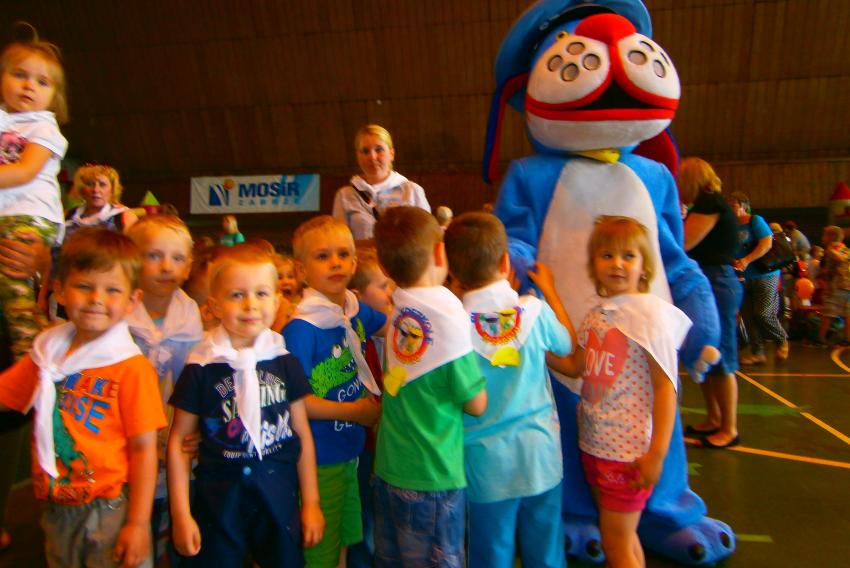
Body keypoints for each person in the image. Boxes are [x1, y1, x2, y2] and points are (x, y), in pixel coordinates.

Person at [0, 228, 167, 567]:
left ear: (132, 300)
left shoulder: (131, 367)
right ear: (60, 290)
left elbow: (144, 449)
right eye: (84, 286)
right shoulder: (47, 351)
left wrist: (137, 524)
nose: (96, 299)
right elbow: (7, 394)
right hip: (55, 504)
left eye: (112, 290)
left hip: (108, 508)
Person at [547, 216, 691, 568]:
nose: (617, 264)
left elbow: (665, 388)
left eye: (628, 256)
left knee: (616, 545)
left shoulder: (647, 316)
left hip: (627, 453)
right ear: (594, 264)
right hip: (595, 444)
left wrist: (657, 454)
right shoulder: (597, 315)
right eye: (607, 255)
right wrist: (536, 349)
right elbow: (575, 366)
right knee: (623, 538)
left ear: (644, 267)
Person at [167, 245, 324, 566]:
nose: (251, 304)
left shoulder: (284, 362)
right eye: (237, 295)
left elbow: (302, 434)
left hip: (277, 490)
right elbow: (178, 442)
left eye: (261, 293)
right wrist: (181, 514)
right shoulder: (201, 366)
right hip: (219, 496)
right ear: (214, 306)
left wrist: (311, 502)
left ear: (277, 302)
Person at [444, 212, 573, 568]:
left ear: (452, 272)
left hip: (484, 467)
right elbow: (566, 344)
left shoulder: (452, 326)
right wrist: (550, 291)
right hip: (540, 456)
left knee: (491, 555)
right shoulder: (534, 311)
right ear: (505, 262)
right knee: (546, 554)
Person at [372, 207, 487, 568]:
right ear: (440, 253)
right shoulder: (448, 317)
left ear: (385, 268)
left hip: (389, 467)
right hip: (432, 476)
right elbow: (476, 404)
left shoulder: (400, 312)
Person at [282, 216, 385, 568]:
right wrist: (355, 412)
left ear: (354, 263)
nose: (336, 263)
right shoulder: (301, 329)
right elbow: (297, 403)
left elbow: (393, 324)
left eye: (343, 254)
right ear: (301, 270)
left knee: (343, 541)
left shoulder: (353, 311)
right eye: (322, 256)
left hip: (348, 452)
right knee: (321, 551)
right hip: (318, 459)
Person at [125, 215, 203, 561]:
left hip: (173, 423)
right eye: (154, 256)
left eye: (177, 258)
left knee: (172, 512)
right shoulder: (118, 311)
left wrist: (198, 428)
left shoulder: (189, 314)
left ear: (188, 266)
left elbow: (195, 381)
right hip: (128, 426)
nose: (166, 266)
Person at [0, 31, 68, 360]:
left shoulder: (43, 127)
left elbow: (26, 171)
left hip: (29, 214)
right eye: (19, 75)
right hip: (6, 213)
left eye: (42, 82)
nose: (29, 86)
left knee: (14, 286)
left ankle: (29, 353)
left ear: (54, 95)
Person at [679, 158, 744, 448]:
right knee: (706, 352)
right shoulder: (709, 204)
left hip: (716, 280)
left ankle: (729, 428)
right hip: (712, 279)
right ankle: (715, 418)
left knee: (721, 354)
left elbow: (684, 241)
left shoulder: (710, 203)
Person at [345, 246, 393, 568]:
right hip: (359, 440)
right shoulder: (354, 331)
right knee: (362, 515)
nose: (391, 291)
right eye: (384, 285)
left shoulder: (380, 333)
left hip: (378, 441)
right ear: (358, 296)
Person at [332, 125, 430, 242]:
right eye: (365, 151)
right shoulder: (344, 196)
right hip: (362, 254)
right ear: (358, 156)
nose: (372, 157)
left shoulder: (413, 191)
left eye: (379, 149)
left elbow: (427, 238)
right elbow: (339, 242)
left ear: (391, 154)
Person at [729, 192, 790, 364]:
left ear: (743, 206)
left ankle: (781, 339)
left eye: (733, 205)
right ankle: (757, 352)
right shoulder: (730, 226)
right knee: (748, 316)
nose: (730, 209)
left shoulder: (755, 221)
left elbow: (766, 243)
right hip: (743, 277)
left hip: (765, 274)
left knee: (763, 313)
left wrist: (746, 260)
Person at [64, 164, 138, 237]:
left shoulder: (124, 216)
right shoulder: (69, 215)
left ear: (112, 189)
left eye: (102, 185)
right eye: (90, 184)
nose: (96, 190)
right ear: (82, 189)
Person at [814, 226, 850, 346]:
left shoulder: (834, 248)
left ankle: (821, 338)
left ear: (831, 236)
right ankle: (847, 338)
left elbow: (839, 259)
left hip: (837, 286)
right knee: (847, 313)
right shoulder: (845, 248)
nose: (822, 238)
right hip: (847, 285)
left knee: (828, 312)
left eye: (825, 235)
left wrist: (830, 250)